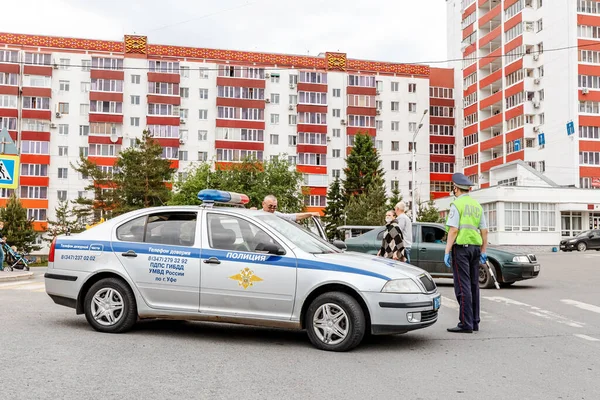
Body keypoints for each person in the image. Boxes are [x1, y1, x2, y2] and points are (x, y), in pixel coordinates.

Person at [443, 173, 488, 334]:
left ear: (456, 188)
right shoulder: (477, 205)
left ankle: (465, 323)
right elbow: (484, 231)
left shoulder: (457, 205)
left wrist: (447, 251)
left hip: (461, 249)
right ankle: (474, 321)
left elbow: (453, 230)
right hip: (475, 249)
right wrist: (483, 250)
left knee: (463, 287)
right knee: (474, 285)